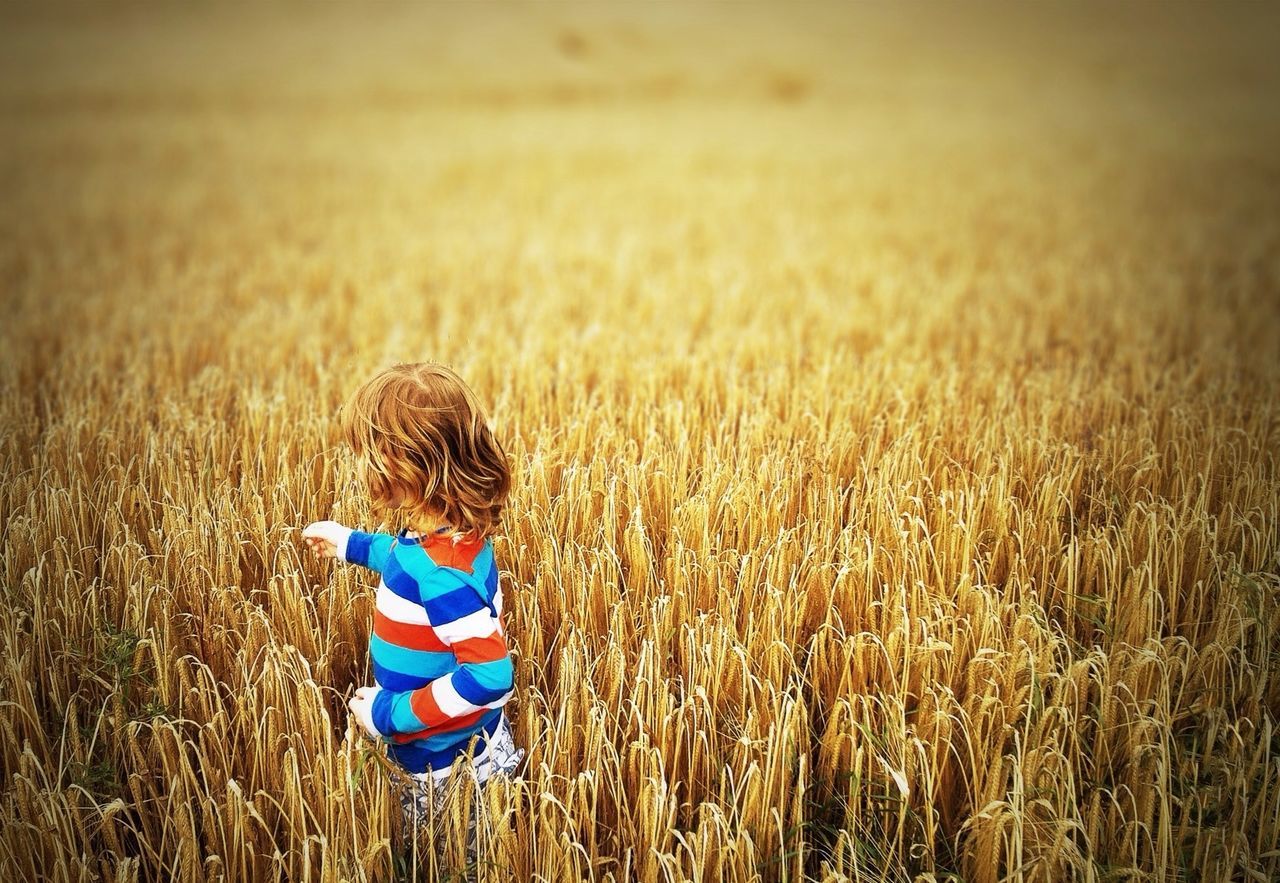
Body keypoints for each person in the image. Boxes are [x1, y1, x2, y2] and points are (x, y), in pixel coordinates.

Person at [301, 361, 524, 871]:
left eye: (367, 453)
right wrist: (350, 544)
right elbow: (404, 560)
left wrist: (389, 716)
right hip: (447, 749)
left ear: (408, 465)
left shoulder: (443, 576)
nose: (359, 464)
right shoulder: (440, 541)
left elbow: (491, 677)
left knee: (450, 867)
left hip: (450, 768)